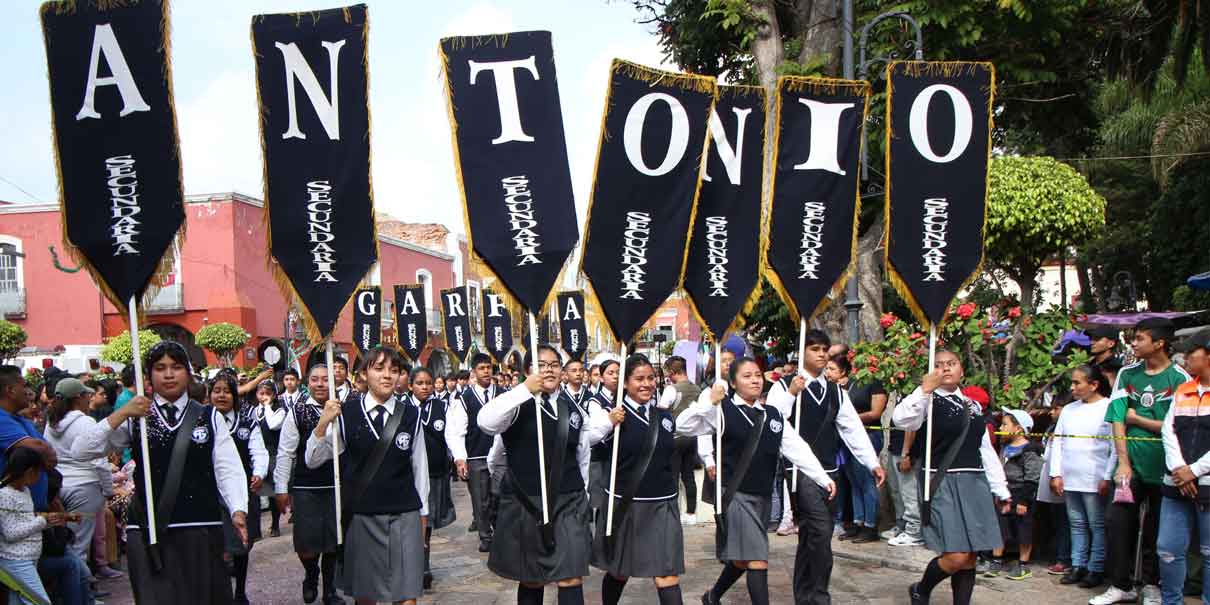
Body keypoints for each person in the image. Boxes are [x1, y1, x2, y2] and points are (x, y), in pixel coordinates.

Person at [72, 342, 248, 604]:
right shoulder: (135, 418)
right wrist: (121, 414)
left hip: (200, 526)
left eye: (176, 367)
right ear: (148, 376)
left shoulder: (209, 416)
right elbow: (81, 450)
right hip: (147, 530)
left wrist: (238, 509)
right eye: (160, 368)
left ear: (188, 373)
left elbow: (228, 467)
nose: (168, 374)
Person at [678, 357, 834, 605]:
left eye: (758, 375)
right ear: (733, 382)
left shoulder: (772, 415)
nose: (754, 380)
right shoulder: (722, 410)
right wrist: (708, 401)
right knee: (757, 559)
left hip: (762, 495)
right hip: (736, 495)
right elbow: (684, 425)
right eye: (747, 376)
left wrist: (821, 477)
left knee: (742, 559)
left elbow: (796, 447)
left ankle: (713, 595)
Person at [477, 345, 613, 605]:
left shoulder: (572, 409)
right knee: (532, 577)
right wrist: (524, 389)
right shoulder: (515, 404)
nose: (548, 369)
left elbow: (582, 454)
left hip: (569, 501)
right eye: (541, 364)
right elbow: (486, 422)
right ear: (528, 370)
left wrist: (582, 493)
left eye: (554, 364)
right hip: (528, 503)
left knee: (571, 575)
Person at [306, 345, 428, 605]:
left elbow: (420, 468)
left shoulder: (411, 414)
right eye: (379, 368)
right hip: (362, 515)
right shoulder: (346, 413)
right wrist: (323, 423)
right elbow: (313, 460)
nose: (387, 376)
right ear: (363, 374)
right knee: (366, 595)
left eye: (394, 371)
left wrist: (423, 515)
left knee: (407, 594)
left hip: (404, 513)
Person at [770, 330, 884, 604]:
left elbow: (853, 429)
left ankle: (805, 595)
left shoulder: (836, 391)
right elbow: (773, 422)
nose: (821, 354)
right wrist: (792, 394)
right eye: (814, 349)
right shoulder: (785, 386)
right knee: (821, 533)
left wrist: (872, 462)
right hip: (802, 473)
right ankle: (820, 596)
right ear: (802, 352)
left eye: (824, 349)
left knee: (812, 537)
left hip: (831, 471)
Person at [892, 350, 1009, 605]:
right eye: (939, 365)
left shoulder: (973, 405)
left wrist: (1001, 488)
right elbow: (901, 420)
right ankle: (921, 588)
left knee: (970, 557)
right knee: (956, 555)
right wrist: (923, 390)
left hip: (974, 482)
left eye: (951, 364)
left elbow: (985, 449)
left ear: (961, 370)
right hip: (941, 482)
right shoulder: (927, 400)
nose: (945, 369)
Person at [1093, 318, 1191, 605]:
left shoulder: (1180, 378)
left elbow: (1177, 426)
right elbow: (1118, 418)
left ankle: (1152, 585)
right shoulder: (1127, 373)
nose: (1133, 344)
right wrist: (1123, 462)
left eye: (1139, 339)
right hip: (1130, 465)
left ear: (1159, 343)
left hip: (1166, 468)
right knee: (1117, 523)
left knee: (1158, 530)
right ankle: (1121, 585)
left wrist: (1140, 419)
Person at [591, 355, 682, 605]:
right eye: (639, 378)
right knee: (619, 571)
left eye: (651, 378)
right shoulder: (612, 416)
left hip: (662, 505)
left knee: (667, 574)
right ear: (625, 383)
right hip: (626, 506)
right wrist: (608, 422)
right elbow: (586, 441)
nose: (646, 384)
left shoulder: (663, 417)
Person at [274, 363, 341, 605]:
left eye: (325, 379)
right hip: (306, 486)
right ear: (307, 383)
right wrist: (281, 488)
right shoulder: (298, 411)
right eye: (315, 379)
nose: (321, 384)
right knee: (307, 543)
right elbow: (285, 451)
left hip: (336, 486)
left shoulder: (344, 407)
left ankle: (330, 589)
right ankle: (311, 574)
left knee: (335, 540)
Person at [1050, 366, 1115, 589]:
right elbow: (1058, 441)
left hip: (1094, 476)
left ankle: (1095, 567)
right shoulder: (1069, 410)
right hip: (1070, 475)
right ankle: (1077, 565)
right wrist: (1056, 473)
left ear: (1094, 384)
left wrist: (1107, 476)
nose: (1073, 387)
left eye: (1078, 383)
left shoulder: (1108, 407)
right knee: (1076, 523)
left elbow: (1115, 445)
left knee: (1096, 524)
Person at [1157, 337, 1210, 605]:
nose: (1186, 358)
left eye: (1192, 353)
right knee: (1167, 550)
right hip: (1176, 482)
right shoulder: (1183, 390)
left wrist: (1195, 471)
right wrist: (1180, 468)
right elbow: (1169, 430)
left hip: (1205, 484)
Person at [208, 374, 266, 605]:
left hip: (243, 492)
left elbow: (259, 451)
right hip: (212, 494)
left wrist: (259, 473)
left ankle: (240, 592)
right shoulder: (202, 421)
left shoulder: (247, 422)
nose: (221, 395)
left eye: (227, 391)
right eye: (217, 391)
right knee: (217, 545)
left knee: (242, 546)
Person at [44, 378, 113, 570]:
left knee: (68, 543)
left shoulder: (52, 422)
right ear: (78, 398)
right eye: (87, 395)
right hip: (85, 487)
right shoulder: (86, 422)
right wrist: (108, 489)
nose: (89, 399)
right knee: (80, 546)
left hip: (60, 487)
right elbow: (99, 459)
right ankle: (82, 593)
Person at [826, 354, 886, 544]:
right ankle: (857, 522)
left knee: (866, 481)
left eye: (832, 369)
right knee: (853, 482)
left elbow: (875, 412)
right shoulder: (841, 388)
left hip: (866, 436)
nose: (827, 372)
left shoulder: (873, 384)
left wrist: (849, 420)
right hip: (845, 439)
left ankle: (870, 526)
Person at [0, 447, 68, 605]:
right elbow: (10, 533)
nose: (39, 478)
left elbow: (26, 523)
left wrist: (48, 521)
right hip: (15, 559)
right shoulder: (4, 495)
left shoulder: (25, 491)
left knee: (19, 600)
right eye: (38, 473)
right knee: (39, 601)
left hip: (29, 557)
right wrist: (41, 521)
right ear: (29, 472)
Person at [446, 353, 499, 552]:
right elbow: (457, 430)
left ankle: (500, 531)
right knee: (481, 500)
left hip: (501, 457)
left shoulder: (502, 393)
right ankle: (486, 536)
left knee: (499, 497)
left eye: (488, 367)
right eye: (482, 368)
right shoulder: (464, 398)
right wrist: (460, 458)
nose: (486, 371)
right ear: (474, 372)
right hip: (476, 456)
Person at [410, 367, 455, 590]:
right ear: (410, 385)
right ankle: (417, 565)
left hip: (436, 472)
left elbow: (450, 434)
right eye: (419, 383)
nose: (425, 387)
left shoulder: (441, 406)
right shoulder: (404, 408)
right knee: (415, 520)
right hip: (411, 475)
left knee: (428, 522)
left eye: (428, 383)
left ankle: (424, 564)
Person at [986, 410, 1043, 580]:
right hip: (1005, 492)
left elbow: (1033, 477)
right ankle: (996, 560)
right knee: (1000, 526)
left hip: (1021, 494)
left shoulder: (1030, 450)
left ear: (1018, 428)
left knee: (1023, 529)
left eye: (1005, 425)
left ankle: (1023, 564)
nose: (1000, 428)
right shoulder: (1004, 447)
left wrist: (1024, 500)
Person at [658, 356, 702, 527]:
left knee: (673, 476)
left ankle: (673, 511)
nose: (668, 376)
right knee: (689, 475)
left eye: (668, 373)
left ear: (674, 372)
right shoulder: (697, 388)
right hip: (692, 437)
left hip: (675, 437)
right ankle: (691, 513)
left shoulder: (672, 389)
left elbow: (662, 410)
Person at [588, 359, 621, 523]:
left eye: (618, 372)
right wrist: (610, 420)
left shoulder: (624, 397)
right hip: (602, 458)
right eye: (610, 373)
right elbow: (595, 433)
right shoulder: (595, 401)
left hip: (622, 457)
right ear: (601, 378)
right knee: (602, 503)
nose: (615, 376)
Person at [252, 380, 285, 538]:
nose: (264, 396)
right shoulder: (254, 411)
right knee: (257, 493)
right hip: (258, 455)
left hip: (273, 455)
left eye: (267, 393)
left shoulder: (279, 410)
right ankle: (256, 529)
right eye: (261, 393)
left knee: (272, 493)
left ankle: (275, 524)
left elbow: (272, 425)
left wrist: (266, 407)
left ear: (274, 395)